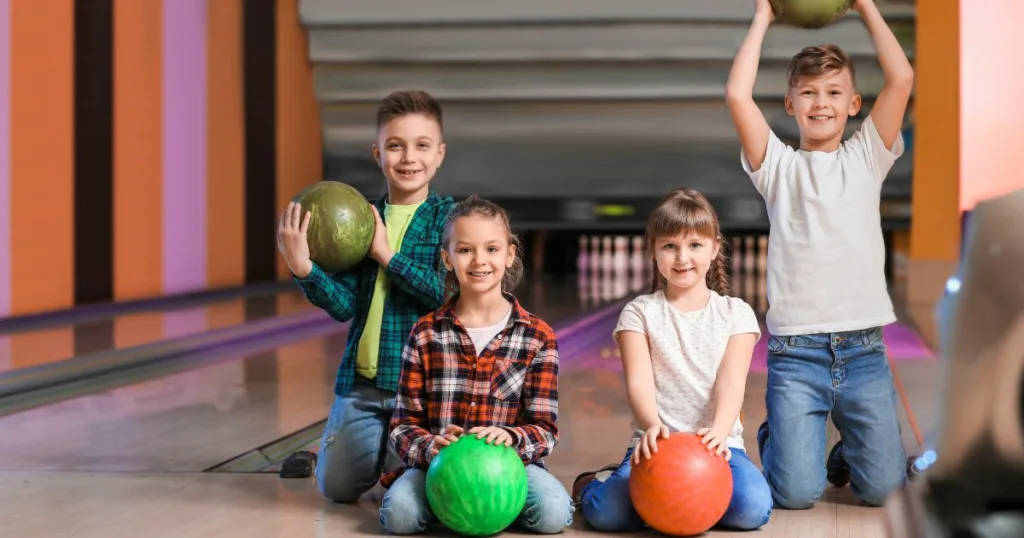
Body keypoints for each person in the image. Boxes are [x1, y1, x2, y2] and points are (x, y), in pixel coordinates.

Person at [724, 0, 915, 508]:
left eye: (834, 92)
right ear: (790, 105)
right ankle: (783, 437)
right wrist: (764, 15)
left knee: (882, 491)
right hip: (796, 356)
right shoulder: (777, 168)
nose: (821, 103)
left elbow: (900, 79)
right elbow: (736, 94)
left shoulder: (867, 155)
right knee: (795, 494)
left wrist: (866, 7)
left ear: (854, 104)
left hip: (864, 352)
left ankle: (846, 452)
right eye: (807, 93)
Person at [276, 90, 455, 503]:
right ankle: (331, 452)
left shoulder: (449, 220)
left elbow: (443, 295)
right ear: (378, 153)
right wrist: (305, 268)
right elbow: (345, 308)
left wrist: (387, 255)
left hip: (419, 390)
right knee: (337, 489)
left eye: (422, 145)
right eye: (396, 145)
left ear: (440, 154)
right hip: (362, 385)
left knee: (404, 487)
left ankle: (378, 452)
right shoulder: (359, 218)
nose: (409, 157)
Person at [571, 189, 772, 532]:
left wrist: (720, 433)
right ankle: (591, 483)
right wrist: (652, 425)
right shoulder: (640, 313)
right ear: (654, 251)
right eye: (670, 246)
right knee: (609, 515)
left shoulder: (735, 313)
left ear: (715, 248)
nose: (682, 257)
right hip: (654, 442)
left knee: (751, 511)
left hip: (719, 444)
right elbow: (639, 381)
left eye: (695, 245)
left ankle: (681, 502)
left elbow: (731, 381)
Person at [378, 196, 574, 535]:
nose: (479, 260)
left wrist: (509, 437)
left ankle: (477, 506)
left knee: (553, 513)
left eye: (492, 249)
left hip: (510, 465)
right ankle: (450, 500)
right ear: (447, 259)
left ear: (510, 253)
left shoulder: (538, 336)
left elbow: (545, 429)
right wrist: (431, 445)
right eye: (466, 250)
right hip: (437, 465)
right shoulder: (425, 333)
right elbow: (402, 424)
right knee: (399, 516)